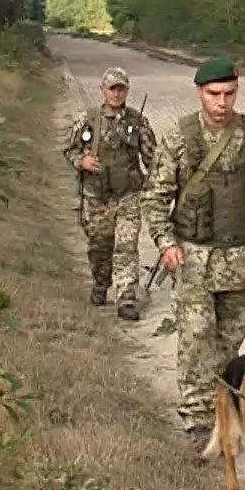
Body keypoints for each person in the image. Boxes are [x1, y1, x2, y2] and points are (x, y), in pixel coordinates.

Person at [142, 57, 245, 439]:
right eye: (214, 94)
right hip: (192, 258)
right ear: (200, 93)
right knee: (196, 338)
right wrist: (165, 243)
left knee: (227, 343)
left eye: (229, 93)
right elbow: (154, 198)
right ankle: (198, 420)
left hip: (239, 260)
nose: (222, 102)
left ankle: (220, 409)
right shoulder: (180, 139)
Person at [62, 67, 157, 319]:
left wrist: (158, 186)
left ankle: (126, 298)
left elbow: (153, 159)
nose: (116, 94)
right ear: (103, 90)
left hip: (127, 196)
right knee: (100, 246)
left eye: (121, 88)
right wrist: (81, 161)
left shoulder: (137, 123)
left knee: (126, 246)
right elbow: (69, 149)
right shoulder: (88, 120)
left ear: (127, 90)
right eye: (112, 88)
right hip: (96, 197)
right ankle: (101, 283)